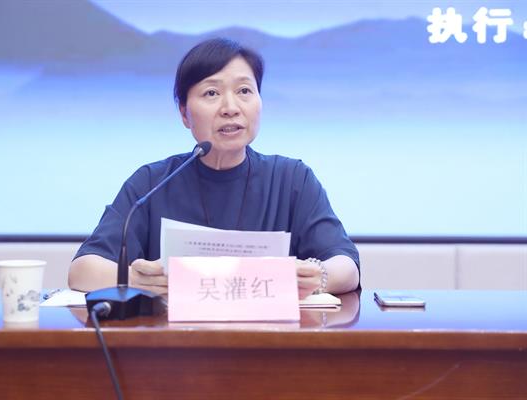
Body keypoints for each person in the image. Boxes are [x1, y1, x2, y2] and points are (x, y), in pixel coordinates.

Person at [69, 38, 360, 298]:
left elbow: (347, 267)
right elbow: (82, 270)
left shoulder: (292, 179)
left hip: (271, 336)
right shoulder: (152, 182)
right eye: (211, 93)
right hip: (174, 339)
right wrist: (135, 279)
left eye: (244, 90)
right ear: (184, 114)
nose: (230, 107)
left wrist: (318, 277)